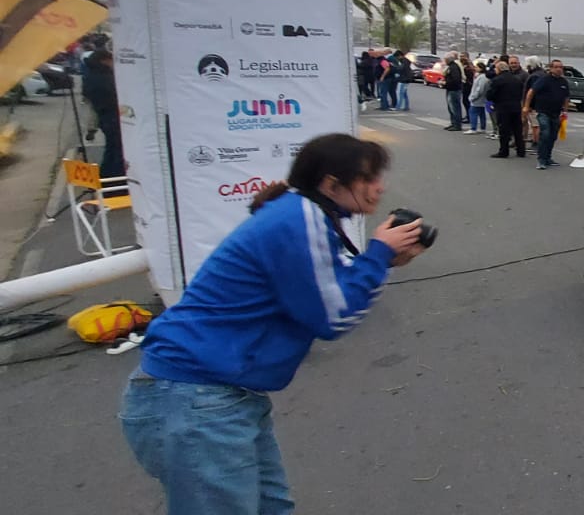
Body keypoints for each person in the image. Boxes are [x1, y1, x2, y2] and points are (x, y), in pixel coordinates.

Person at [119, 133, 425, 514]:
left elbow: (328, 284)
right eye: (369, 178)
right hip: (194, 399)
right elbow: (334, 316)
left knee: (273, 507)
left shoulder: (302, 213)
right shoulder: (299, 218)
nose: (381, 187)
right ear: (332, 184)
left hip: (212, 396)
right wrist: (378, 255)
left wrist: (384, 260)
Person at [81, 49, 124, 178]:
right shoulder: (104, 77)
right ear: (104, 60)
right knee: (116, 149)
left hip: (104, 117)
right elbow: (113, 96)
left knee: (112, 148)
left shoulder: (90, 74)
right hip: (112, 116)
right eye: (111, 61)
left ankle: (107, 175)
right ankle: (113, 176)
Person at [526, 59, 570, 169]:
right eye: (556, 67)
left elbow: (566, 97)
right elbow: (531, 92)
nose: (559, 69)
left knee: (553, 136)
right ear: (551, 68)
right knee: (545, 134)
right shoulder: (544, 80)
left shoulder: (563, 82)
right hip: (543, 112)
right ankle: (541, 159)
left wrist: (565, 111)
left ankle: (548, 158)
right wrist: (526, 106)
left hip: (556, 113)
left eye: (561, 67)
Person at [486, 61, 527, 158]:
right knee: (517, 129)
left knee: (504, 130)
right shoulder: (517, 79)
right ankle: (521, 150)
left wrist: (493, 99)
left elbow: (490, 95)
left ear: (499, 69)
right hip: (516, 106)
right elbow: (522, 92)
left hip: (502, 107)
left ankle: (504, 151)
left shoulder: (497, 80)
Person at [442, 51, 464, 131]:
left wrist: (446, 83)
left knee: (455, 108)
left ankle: (457, 125)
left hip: (454, 89)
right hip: (450, 89)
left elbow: (456, 79)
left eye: (445, 59)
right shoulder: (450, 66)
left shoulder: (453, 67)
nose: (444, 61)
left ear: (448, 60)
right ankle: (453, 123)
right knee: (451, 108)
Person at [466, 63, 489, 135]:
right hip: (481, 99)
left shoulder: (482, 77)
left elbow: (480, 89)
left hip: (478, 99)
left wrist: (473, 97)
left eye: (477, 67)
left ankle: (473, 128)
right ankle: (482, 128)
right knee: (481, 113)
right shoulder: (481, 76)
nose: (475, 68)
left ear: (481, 68)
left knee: (473, 112)